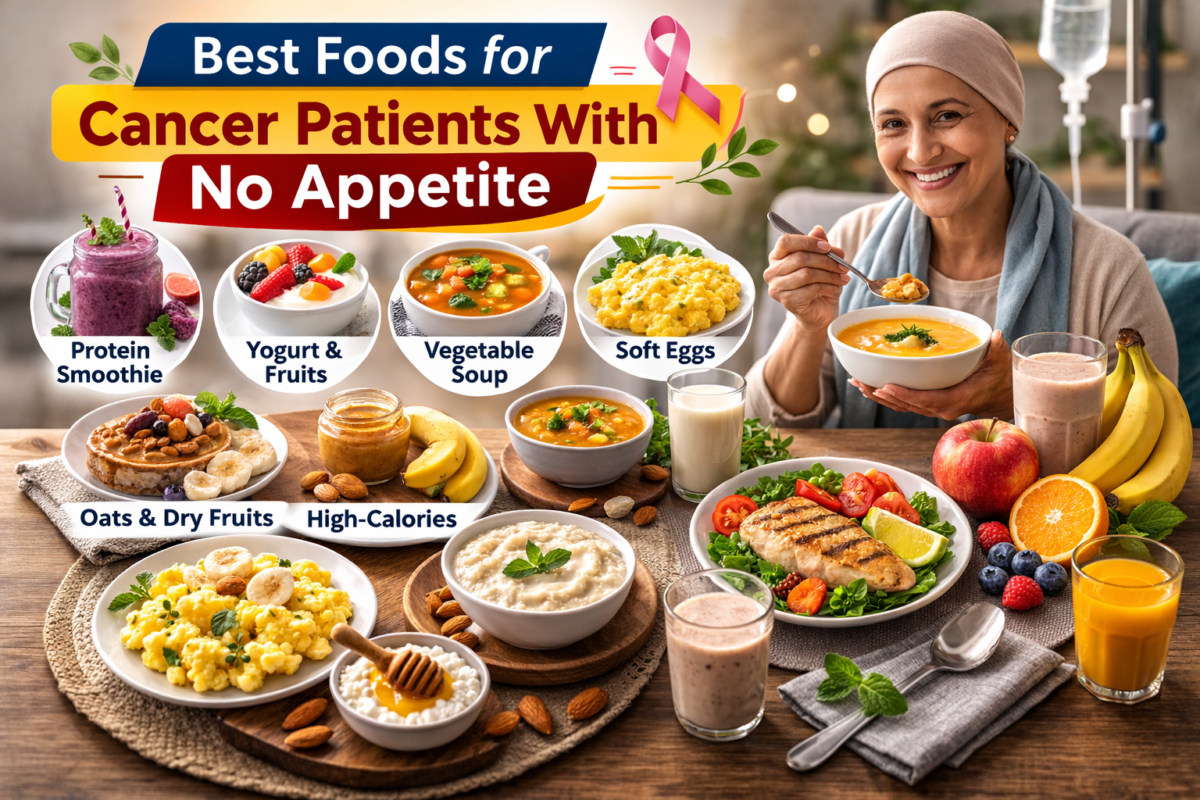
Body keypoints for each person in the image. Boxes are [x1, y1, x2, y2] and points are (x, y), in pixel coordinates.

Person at [746, 11, 1177, 429]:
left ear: (1008, 120)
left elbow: (1149, 433)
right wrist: (808, 327)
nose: (920, 152)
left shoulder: (1109, 273)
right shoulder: (852, 243)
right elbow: (763, 425)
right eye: (893, 123)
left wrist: (1016, 398)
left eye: (947, 116)